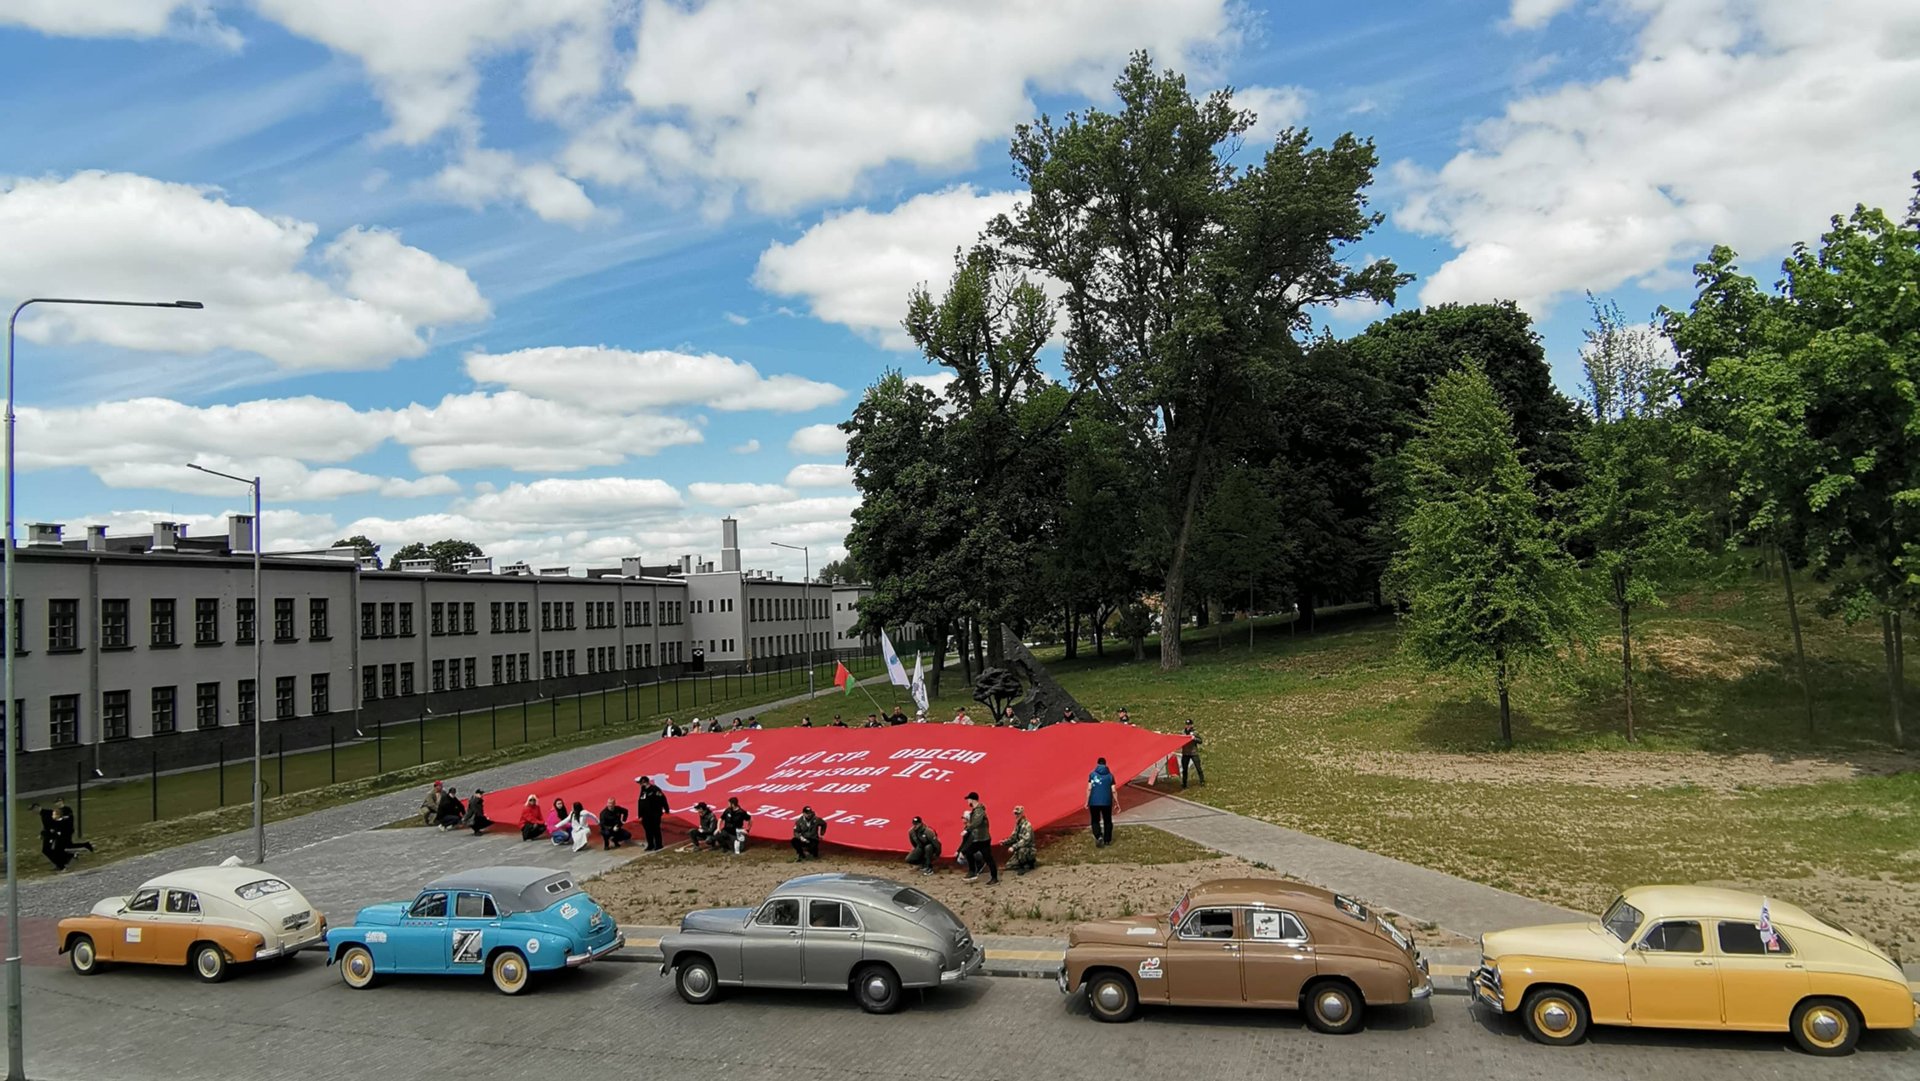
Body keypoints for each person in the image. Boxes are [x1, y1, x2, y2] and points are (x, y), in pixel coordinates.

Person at [961, 792, 997, 884]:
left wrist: (967, 830)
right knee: (969, 852)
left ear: (972, 800)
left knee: (988, 858)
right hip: (978, 839)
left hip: (983, 839)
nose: (967, 801)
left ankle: (994, 878)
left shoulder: (979, 810)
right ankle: (972, 871)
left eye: (968, 799)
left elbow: (977, 822)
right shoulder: (975, 810)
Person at [635, 774, 671, 851]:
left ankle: (658, 844)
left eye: (641, 783)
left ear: (645, 782)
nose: (640, 784)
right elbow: (640, 802)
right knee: (648, 830)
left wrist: (666, 809)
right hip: (645, 815)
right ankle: (650, 845)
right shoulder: (643, 789)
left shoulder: (655, 789)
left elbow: (663, 799)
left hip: (654, 814)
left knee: (655, 829)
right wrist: (640, 814)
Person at [1087, 758, 1117, 847]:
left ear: (1097, 764)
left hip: (1094, 802)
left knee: (1095, 820)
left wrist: (1087, 801)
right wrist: (1116, 802)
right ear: (1105, 764)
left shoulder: (1092, 775)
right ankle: (1107, 840)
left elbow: (1089, 788)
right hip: (1107, 802)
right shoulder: (1110, 776)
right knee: (1107, 820)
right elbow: (1114, 790)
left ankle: (1098, 836)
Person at [1004, 805, 1036, 875]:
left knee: (1022, 851)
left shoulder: (1027, 825)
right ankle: (1022, 862)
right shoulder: (1018, 825)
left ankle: (1026, 865)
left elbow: (1025, 840)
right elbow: (1013, 837)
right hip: (1020, 848)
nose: (1016, 815)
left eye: (1018, 813)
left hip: (1028, 849)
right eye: (1015, 813)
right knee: (1009, 865)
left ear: (1022, 814)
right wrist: (1005, 842)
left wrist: (1014, 847)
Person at [1180, 719, 1206, 787]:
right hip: (1185, 753)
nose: (1188, 726)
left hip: (1193, 753)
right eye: (1186, 724)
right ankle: (1184, 783)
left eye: (1189, 724)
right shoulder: (1183, 732)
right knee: (1184, 769)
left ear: (1192, 725)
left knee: (1198, 767)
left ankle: (1202, 781)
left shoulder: (1195, 732)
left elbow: (1200, 741)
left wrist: (1194, 738)